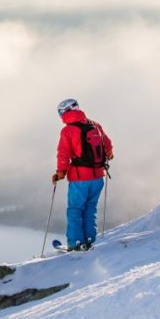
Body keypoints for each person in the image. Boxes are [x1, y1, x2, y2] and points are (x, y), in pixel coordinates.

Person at [52, 98, 114, 251]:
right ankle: (89, 240)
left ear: (65, 112)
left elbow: (63, 154)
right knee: (90, 208)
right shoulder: (94, 125)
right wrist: (109, 155)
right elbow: (108, 145)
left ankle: (75, 243)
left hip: (80, 179)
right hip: (98, 177)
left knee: (75, 210)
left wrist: (60, 173)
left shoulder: (68, 130)